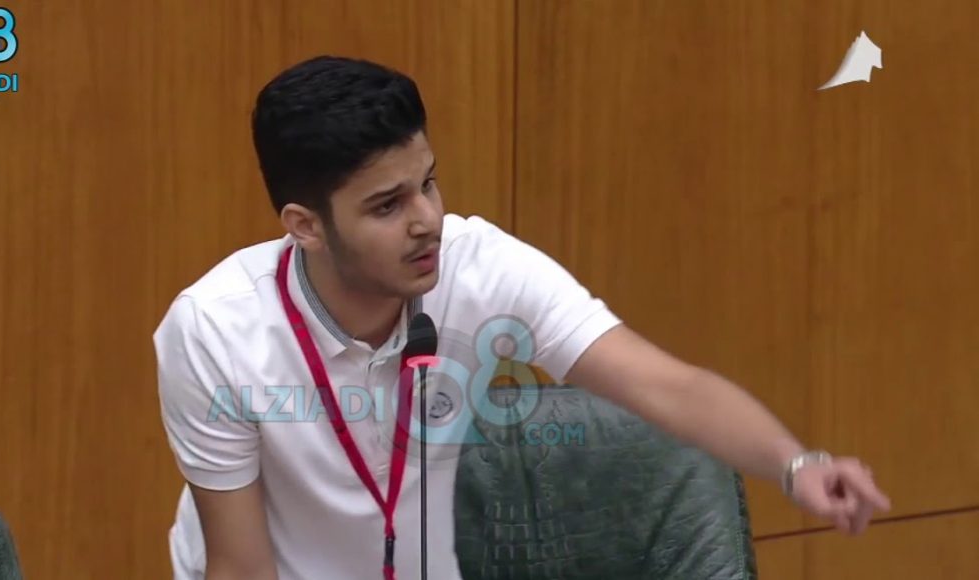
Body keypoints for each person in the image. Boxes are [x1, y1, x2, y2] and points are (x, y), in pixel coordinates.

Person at [154, 55, 891, 580]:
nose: (427, 220)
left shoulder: (479, 266)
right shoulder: (216, 331)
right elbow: (240, 566)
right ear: (306, 226)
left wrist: (795, 464)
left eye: (428, 184)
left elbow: (666, 386)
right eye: (387, 206)